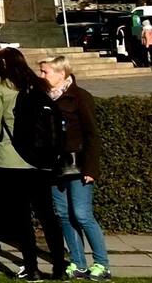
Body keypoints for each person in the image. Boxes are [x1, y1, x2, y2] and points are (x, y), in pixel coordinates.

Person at [0, 48, 66, 281]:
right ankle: (59, 266)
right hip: (40, 159)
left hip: (11, 157)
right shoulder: (35, 83)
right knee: (47, 215)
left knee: (21, 217)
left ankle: (31, 267)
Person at [40, 56, 110, 281]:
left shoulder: (79, 97)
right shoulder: (45, 99)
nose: (42, 75)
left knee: (82, 214)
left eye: (45, 72)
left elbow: (92, 135)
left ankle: (102, 264)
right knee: (63, 215)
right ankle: (78, 263)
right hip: (55, 167)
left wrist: (91, 168)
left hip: (78, 165)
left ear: (61, 74)